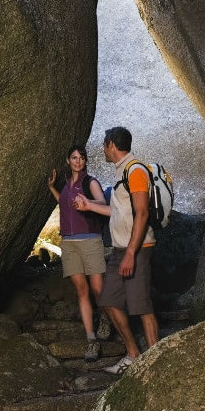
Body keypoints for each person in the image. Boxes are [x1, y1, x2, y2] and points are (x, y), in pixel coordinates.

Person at [74, 126, 159, 374]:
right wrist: (88, 205)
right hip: (121, 248)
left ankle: (155, 364)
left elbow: (142, 213)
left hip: (138, 248)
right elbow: (118, 212)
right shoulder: (122, 172)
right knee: (109, 300)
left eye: (104, 145)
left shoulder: (135, 171)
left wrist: (131, 252)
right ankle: (133, 354)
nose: (102, 149)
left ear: (112, 145)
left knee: (141, 305)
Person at [47, 144, 112, 361]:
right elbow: (64, 204)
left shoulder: (90, 182)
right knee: (81, 291)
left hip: (91, 241)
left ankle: (105, 316)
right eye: (74, 158)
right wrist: (52, 189)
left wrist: (87, 204)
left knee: (97, 288)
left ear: (85, 161)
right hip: (69, 244)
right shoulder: (66, 185)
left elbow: (102, 203)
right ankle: (91, 340)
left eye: (81, 158)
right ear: (68, 161)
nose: (78, 161)